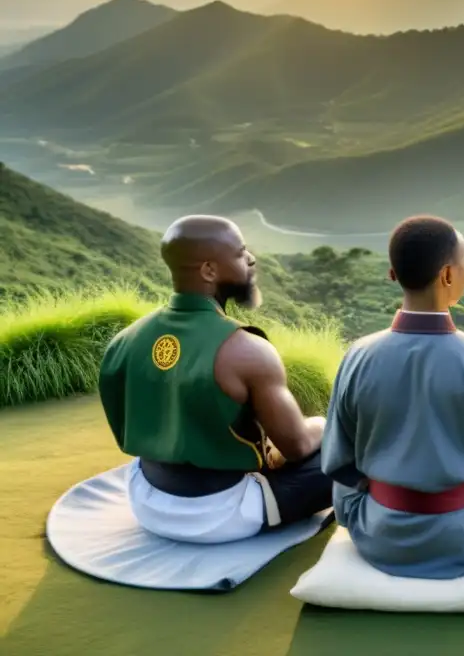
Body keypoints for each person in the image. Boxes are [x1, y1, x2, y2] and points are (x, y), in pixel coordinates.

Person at [320, 216, 464, 579]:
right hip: (459, 535)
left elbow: (339, 462)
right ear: (447, 276)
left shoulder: (357, 356)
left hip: (378, 531)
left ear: (394, 275)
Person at [98, 215, 332, 543]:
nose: (251, 259)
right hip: (219, 514)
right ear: (209, 271)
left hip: (145, 499)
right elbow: (297, 447)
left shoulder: (124, 340)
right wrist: (323, 423)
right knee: (350, 451)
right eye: (240, 253)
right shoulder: (247, 350)